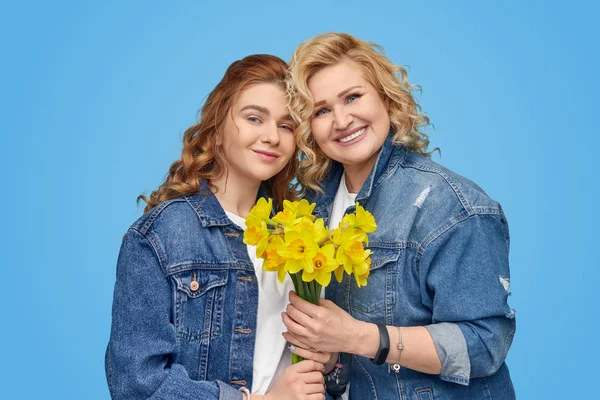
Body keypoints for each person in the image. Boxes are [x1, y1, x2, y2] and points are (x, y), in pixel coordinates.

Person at [282, 33, 516, 399]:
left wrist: (360, 337)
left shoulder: (450, 205)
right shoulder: (312, 210)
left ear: (387, 98)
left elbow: (486, 343)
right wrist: (332, 360)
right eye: (321, 110)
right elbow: (350, 359)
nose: (342, 120)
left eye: (353, 97)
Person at [105, 54, 329, 400]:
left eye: (286, 125)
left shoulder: (302, 236)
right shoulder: (161, 236)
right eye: (254, 118)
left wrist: (329, 363)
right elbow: (136, 384)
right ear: (217, 126)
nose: (272, 136)